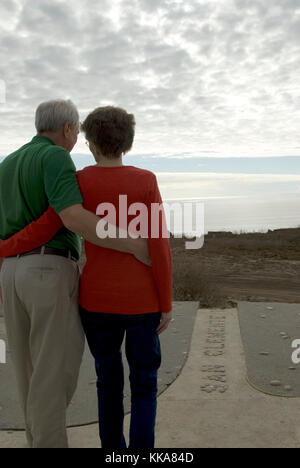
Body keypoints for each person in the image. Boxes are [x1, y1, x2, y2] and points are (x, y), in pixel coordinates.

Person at [0, 105, 173, 449]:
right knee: (145, 382)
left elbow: (47, 225)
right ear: (128, 143)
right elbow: (159, 247)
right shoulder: (146, 181)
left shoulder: (79, 180)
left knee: (107, 380)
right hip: (142, 302)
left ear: (91, 144)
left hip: (95, 303)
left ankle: (111, 451)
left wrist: (6, 247)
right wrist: (165, 303)